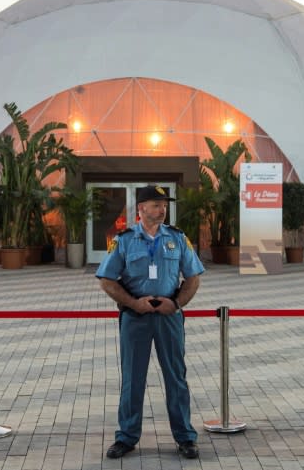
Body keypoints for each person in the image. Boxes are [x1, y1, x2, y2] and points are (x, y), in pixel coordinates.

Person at [96, 185, 204, 459]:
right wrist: (134, 304)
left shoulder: (178, 238)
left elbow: (193, 277)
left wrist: (176, 303)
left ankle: (185, 437)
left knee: (176, 378)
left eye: (164, 204)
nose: (162, 209)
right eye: (156, 204)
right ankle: (127, 437)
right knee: (133, 378)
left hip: (169, 317)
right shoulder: (123, 240)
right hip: (136, 318)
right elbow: (107, 280)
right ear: (141, 208)